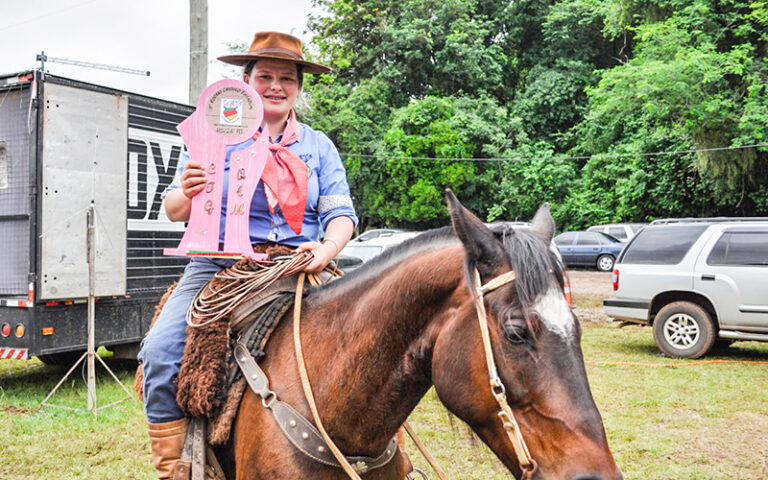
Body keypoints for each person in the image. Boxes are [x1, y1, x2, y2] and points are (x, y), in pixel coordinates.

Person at [138, 31, 358, 479]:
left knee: (371, 342)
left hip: (300, 265)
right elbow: (174, 208)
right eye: (265, 77)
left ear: (298, 86)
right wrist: (187, 188)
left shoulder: (319, 146)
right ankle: (175, 468)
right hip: (221, 267)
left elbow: (341, 213)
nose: (275, 86)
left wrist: (328, 247)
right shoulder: (215, 135)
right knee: (160, 352)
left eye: (286, 78)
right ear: (245, 82)